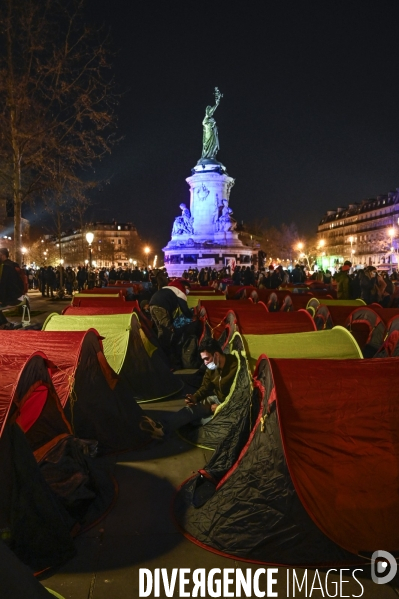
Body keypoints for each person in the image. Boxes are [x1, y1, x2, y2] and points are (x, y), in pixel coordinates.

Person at [167, 338, 239, 431]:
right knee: (191, 409)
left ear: (216, 354)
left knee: (211, 423)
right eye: (203, 360)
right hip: (216, 399)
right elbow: (205, 387)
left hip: (230, 405)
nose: (205, 363)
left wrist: (220, 408)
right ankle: (162, 426)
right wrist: (195, 398)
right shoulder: (211, 369)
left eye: (207, 358)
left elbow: (239, 396)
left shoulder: (235, 367)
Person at [149, 279, 193, 355]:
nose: (188, 292)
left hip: (152, 305)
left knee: (160, 329)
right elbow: (185, 310)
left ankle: (161, 350)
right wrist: (192, 316)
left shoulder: (170, 288)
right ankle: (166, 353)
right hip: (161, 307)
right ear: (185, 287)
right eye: (188, 289)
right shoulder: (180, 292)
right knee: (167, 331)